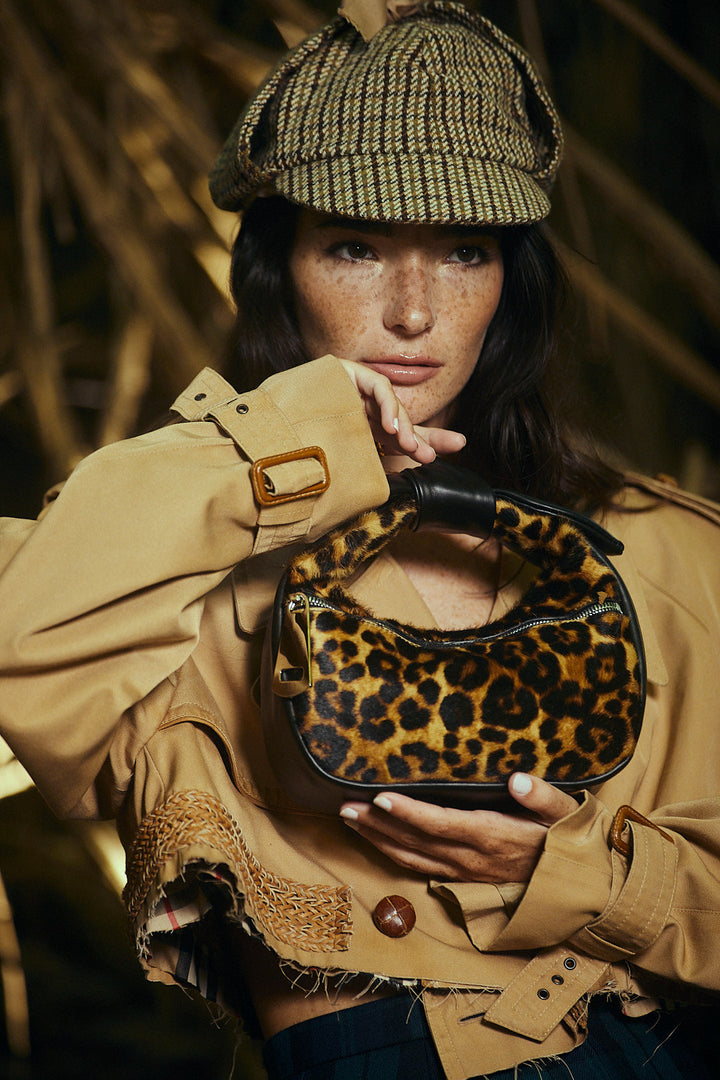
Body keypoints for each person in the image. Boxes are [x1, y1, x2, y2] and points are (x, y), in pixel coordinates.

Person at [1, 2, 720, 1077]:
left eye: (465, 252)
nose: (414, 313)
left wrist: (576, 874)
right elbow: (16, 636)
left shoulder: (663, 552)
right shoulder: (181, 563)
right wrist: (285, 447)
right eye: (354, 247)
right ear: (276, 271)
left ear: (511, 285)